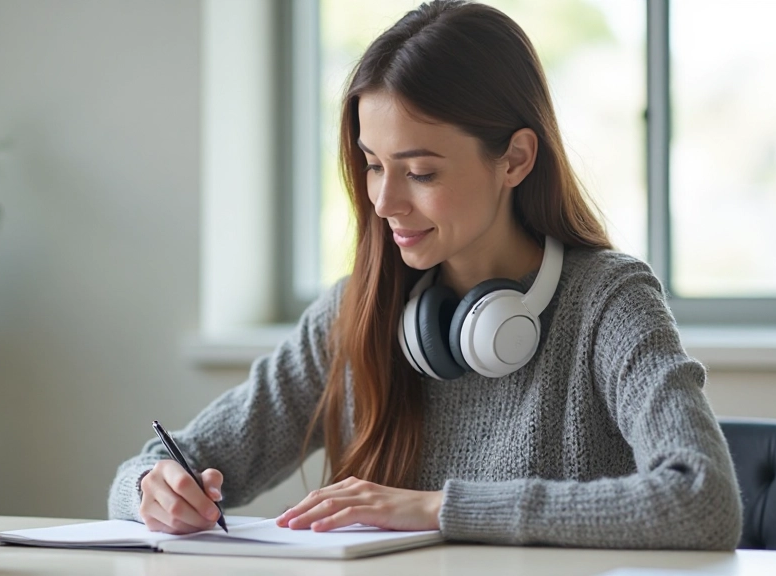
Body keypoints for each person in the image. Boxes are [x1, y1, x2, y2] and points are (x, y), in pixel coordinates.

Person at [108, 0, 742, 549]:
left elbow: (703, 499)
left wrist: (436, 509)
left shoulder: (608, 300)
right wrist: (154, 490)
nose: (383, 202)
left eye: (421, 172)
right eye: (373, 165)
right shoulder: (353, 311)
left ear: (516, 158)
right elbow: (157, 465)